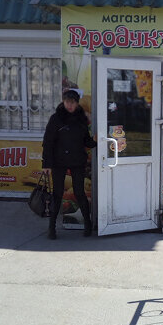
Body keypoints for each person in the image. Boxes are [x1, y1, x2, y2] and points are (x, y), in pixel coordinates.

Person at [42, 89, 97, 239]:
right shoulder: (56, 118)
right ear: (63, 102)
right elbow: (48, 142)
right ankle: (52, 228)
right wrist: (46, 164)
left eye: (72, 102)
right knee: (57, 194)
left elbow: (86, 141)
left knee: (79, 193)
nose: (70, 105)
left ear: (77, 103)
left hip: (77, 160)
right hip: (59, 162)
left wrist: (94, 141)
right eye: (67, 102)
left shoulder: (82, 118)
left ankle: (87, 225)